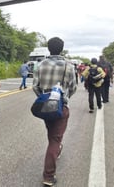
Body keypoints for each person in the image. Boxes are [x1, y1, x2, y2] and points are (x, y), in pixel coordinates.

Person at [32, 37, 77, 187]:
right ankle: (49, 176)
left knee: (52, 134)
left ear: (49, 48)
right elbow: (73, 88)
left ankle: (55, 150)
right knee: (55, 140)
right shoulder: (68, 66)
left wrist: (44, 97)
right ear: (62, 49)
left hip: (45, 105)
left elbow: (35, 86)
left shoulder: (40, 65)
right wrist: (63, 98)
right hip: (61, 106)